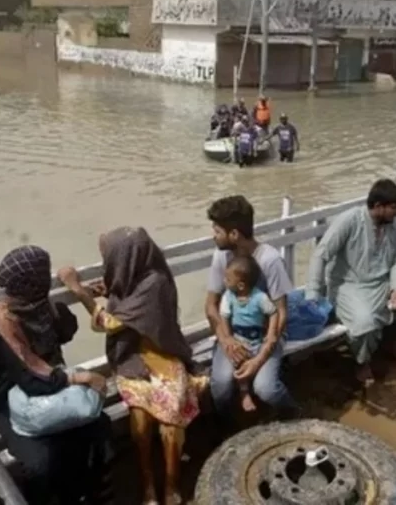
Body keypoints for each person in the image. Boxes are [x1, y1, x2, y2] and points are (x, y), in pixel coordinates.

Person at [59, 227, 205, 505]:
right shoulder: (134, 276)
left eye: (111, 258)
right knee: (139, 420)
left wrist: (78, 290)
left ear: (127, 257)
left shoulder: (155, 282)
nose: (108, 264)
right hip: (132, 358)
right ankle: (148, 482)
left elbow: (112, 323)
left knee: (171, 419)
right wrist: (109, 291)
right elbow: (124, 298)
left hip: (163, 355)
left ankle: (171, 485)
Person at [0, 246, 111, 504]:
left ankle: (85, 495)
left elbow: (66, 331)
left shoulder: (38, 305)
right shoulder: (4, 320)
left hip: (53, 387)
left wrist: (73, 292)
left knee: (100, 431)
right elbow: (29, 379)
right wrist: (80, 378)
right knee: (40, 463)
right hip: (14, 401)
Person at [306, 179, 396, 384]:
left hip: (384, 280)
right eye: (393, 208)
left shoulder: (392, 223)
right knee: (364, 322)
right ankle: (362, 361)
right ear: (378, 206)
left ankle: (393, 343)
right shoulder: (349, 221)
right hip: (350, 285)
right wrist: (313, 295)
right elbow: (320, 255)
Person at [204, 196, 298, 418]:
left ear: (234, 234)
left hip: (267, 336)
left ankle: (294, 414)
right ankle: (228, 426)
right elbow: (211, 306)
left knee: (266, 389)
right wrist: (227, 341)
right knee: (221, 386)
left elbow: (282, 312)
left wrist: (260, 358)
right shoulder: (221, 256)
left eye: (217, 231)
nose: (213, 236)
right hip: (233, 334)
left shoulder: (270, 260)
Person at [218, 255, 277, 413]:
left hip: (258, 339)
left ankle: (260, 393)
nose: (224, 281)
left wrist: (271, 334)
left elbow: (273, 313)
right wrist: (229, 338)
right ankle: (244, 393)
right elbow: (224, 316)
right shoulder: (228, 297)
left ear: (241, 285)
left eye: (228, 279)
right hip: (239, 339)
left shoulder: (259, 297)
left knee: (259, 363)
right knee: (240, 362)